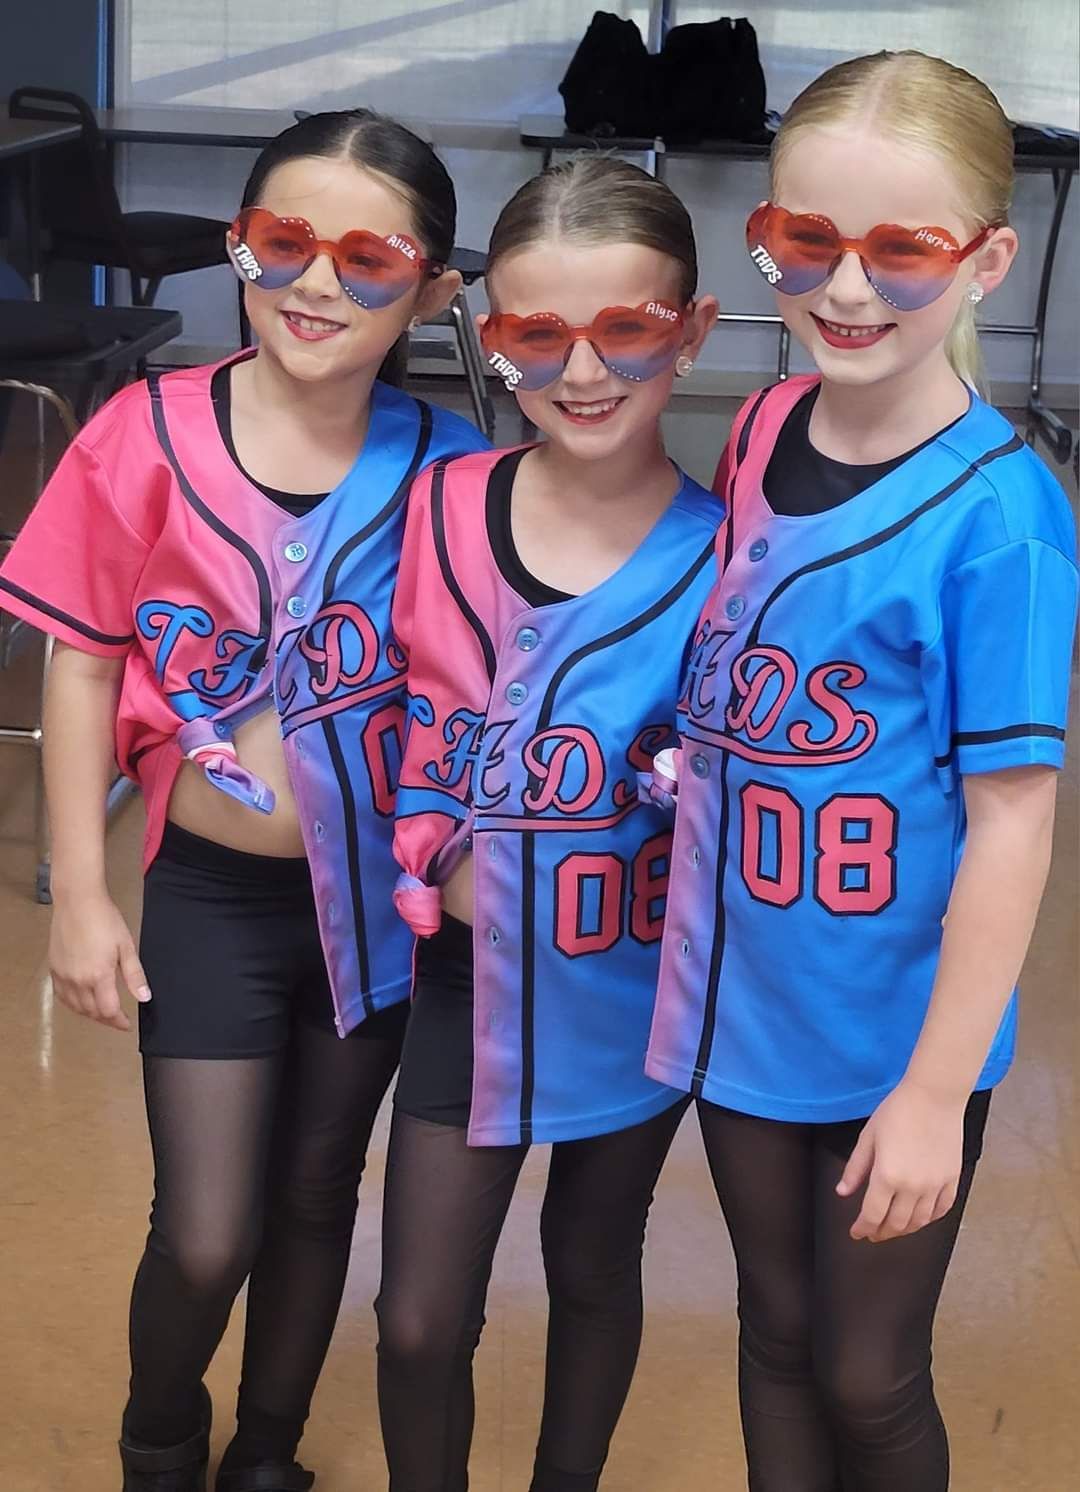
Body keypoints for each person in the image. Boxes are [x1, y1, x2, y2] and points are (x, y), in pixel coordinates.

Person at [0, 109, 487, 1492]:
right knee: (209, 1228)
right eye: (286, 245)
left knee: (316, 1196)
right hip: (210, 897)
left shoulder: (452, 475)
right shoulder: (144, 434)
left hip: (378, 912)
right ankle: (162, 1435)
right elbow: (85, 662)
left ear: (435, 292)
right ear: (241, 252)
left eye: (371, 259)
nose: (318, 285)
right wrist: (84, 901)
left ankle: (265, 1451)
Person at [643, 50, 1078, 1492]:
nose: (843, 289)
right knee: (774, 1333)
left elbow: (1016, 822)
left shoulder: (1002, 517)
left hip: (893, 1029)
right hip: (742, 995)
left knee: (866, 1370)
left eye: (901, 251)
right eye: (804, 240)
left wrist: (934, 1089)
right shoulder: (765, 424)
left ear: (987, 262)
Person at [379, 156, 721, 1490]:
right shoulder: (440, 503)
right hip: (465, 976)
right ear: (492, 333)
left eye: (626, 330)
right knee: (417, 1320)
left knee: (592, 1266)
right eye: (538, 334)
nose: (584, 372)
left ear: (689, 330)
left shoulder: (725, 557)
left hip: (633, 983)